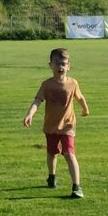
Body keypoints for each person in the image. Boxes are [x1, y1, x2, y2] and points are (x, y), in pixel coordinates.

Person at [22, 46, 90, 198]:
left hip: (68, 125)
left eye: (63, 63)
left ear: (69, 66)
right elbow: (37, 100)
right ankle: (51, 176)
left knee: (69, 153)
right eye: (57, 63)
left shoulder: (73, 83)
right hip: (51, 126)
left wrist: (85, 109)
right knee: (52, 153)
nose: (60, 67)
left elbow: (80, 97)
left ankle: (76, 187)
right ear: (50, 65)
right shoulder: (47, 84)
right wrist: (30, 114)